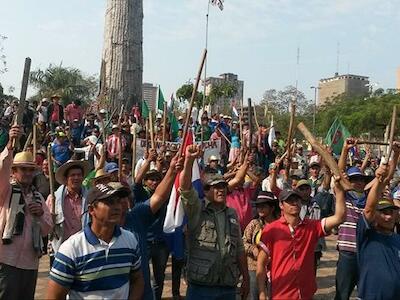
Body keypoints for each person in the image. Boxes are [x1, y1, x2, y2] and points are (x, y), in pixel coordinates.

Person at [46, 183, 144, 300]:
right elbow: (54, 296)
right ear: (92, 210)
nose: (117, 207)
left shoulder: (130, 240)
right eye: (109, 202)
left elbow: (137, 279)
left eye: (118, 201)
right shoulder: (72, 249)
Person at [256, 175, 347, 300]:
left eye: (296, 199)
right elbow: (261, 264)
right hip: (280, 294)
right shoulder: (271, 230)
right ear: (281, 205)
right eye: (289, 200)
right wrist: (261, 293)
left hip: (305, 293)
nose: (294, 203)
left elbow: (340, 217)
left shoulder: (312, 227)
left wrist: (340, 190)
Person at [179, 144, 250, 300]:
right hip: (201, 287)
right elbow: (184, 188)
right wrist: (189, 160)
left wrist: (246, 278)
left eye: (223, 187)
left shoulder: (231, 213)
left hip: (227, 285)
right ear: (205, 191)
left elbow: (239, 248)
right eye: (216, 187)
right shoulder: (197, 208)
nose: (221, 190)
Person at [0, 125, 53, 300]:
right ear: (14, 172)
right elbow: (2, 169)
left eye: (31, 169)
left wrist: (40, 215)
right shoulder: (5, 191)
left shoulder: (37, 196)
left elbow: (48, 228)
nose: (28, 173)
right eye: (23, 169)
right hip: (5, 259)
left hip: (31, 262)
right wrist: (10, 145)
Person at [124, 152, 184, 300]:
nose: (154, 182)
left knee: (159, 279)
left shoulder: (166, 195)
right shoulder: (141, 196)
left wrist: (172, 169)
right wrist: (149, 161)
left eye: (157, 179)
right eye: (150, 179)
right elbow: (137, 181)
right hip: (144, 242)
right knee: (137, 277)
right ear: (146, 182)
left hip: (161, 243)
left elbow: (162, 193)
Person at [356, 143, 400, 300]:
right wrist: (379, 179)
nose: (388, 217)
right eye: (383, 213)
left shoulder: (397, 239)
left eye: (391, 213)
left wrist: (396, 155)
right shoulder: (366, 234)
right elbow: (368, 209)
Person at [335, 138, 372, 300]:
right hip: (347, 254)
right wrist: (345, 150)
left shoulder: (369, 201)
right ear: (348, 182)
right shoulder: (344, 197)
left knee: (366, 294)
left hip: (366, 253)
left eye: (361, 179)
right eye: (354, 179)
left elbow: (382, 179)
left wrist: (396, 155)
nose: (358, 182)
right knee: (342, 295)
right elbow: (338, 173)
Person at [46, 160, 90, 264]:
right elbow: (45, 227)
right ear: (66, 179)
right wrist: (49, 220)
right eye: (72, 175)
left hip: (83, 249)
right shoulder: (53, 199)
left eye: (79, 175)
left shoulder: (90, 199)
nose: (76, 178)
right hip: (60, 249)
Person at [243, 191, 278, 300]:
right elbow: (243, 242)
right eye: (258, 206)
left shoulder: (280, 225)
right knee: (256, 295)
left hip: (275, 266)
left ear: (272, 208)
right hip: (254, 266)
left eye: (264, 206)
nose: (260, 209)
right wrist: (253, 249)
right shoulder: (254, 224)